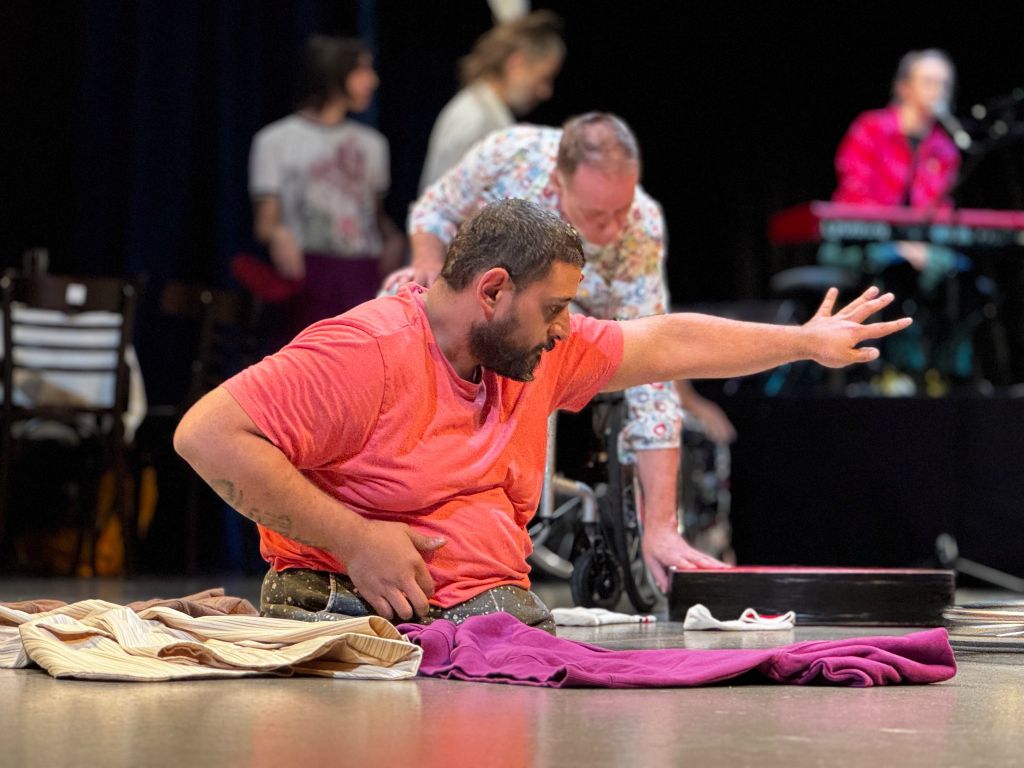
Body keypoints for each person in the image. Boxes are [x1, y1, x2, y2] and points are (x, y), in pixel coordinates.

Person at [174, 198, 911, 632]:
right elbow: (206, 434)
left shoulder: (534, 351)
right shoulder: (366, 350)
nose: (564, 328)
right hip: (354, 612)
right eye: (554, 308)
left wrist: (804, 342)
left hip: (492, 617)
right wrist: (355, 538)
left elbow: (666, 341)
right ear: (493, 291)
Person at [391, 112, 735, 591]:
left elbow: (654, 369)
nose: (613, 229)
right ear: (557, 183)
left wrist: (660, 525)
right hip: (487, 307)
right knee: (403, 300)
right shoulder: (507, 154)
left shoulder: (640, 226)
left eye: (621, 210)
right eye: (597, 216)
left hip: (579, 326)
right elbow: (434, 210)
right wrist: (426, 262)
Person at [248, 35, 405, 344]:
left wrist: (393, 239)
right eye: (361, 70)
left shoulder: (372, 144)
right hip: (309, 276)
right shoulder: (275, 141)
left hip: (361, 274)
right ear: (334, 72)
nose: (372, 80)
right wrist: (278, 234)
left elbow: (373, 217)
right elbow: (266, 222)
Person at [825, 49, 969, 384]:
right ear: (904, 87)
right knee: (896, 268)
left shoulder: (944, 148)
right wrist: (900, 243)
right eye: (929, 82)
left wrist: (924, 246)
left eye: (945, 84)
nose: (938, 92)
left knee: (964, 276)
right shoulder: (870, 129)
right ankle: (890, 372)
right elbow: (855, 197)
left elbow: (939, 209)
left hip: (920, 247)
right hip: (858, 243)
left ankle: (944, 375)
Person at [418, 10, 564, 194]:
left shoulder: (489, 113)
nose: (546, 92)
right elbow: (447, 201)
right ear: (517, 64)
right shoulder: (474, 117)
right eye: (544, 78)